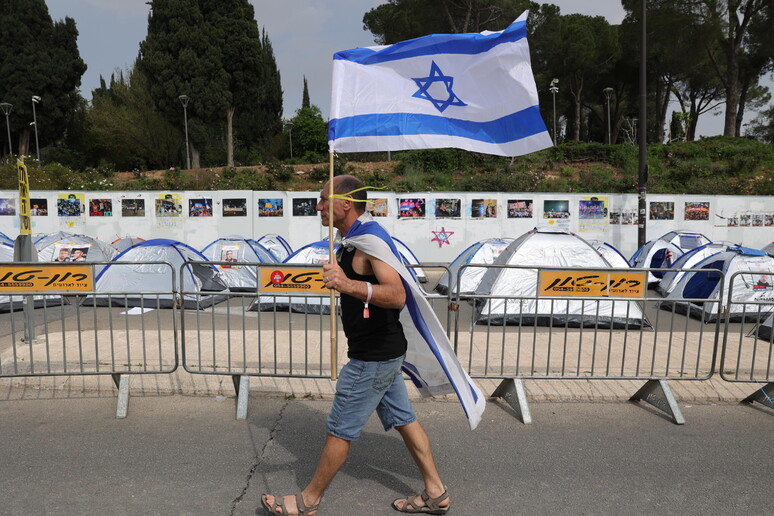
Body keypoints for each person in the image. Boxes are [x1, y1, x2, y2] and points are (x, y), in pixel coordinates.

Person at [261, 175, 451, 515]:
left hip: (372, 358)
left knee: (340, 429)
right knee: (405, 419)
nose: (317, 206)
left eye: (322, 200)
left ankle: (308, 501)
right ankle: (436, 492)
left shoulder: (367, 243)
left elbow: (397, 295)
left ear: (345, 204)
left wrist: (349, 285)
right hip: (385, 353)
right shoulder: (351, 240)